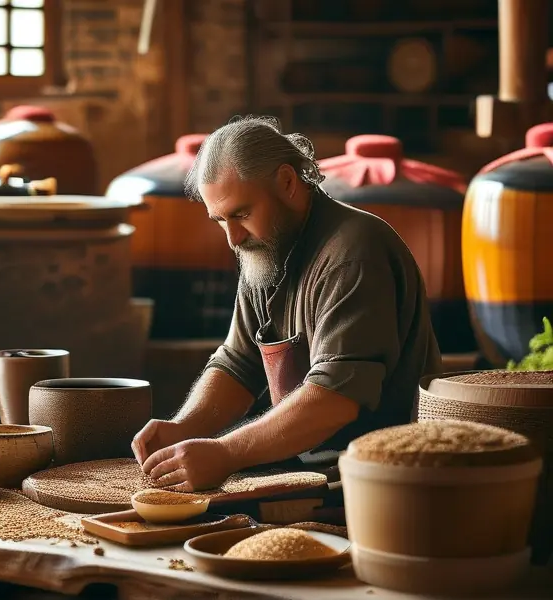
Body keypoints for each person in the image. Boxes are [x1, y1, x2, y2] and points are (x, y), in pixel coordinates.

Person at [131, 116, 443, 492]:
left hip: (379, 479)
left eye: (241, 214)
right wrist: (185, 427)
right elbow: (239, 363)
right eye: (220, 220)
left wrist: (226, 453)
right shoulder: (264, 246)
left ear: (287, 183)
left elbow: (335, 399)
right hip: (303, 467)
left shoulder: (354, 254)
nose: (232, 238)